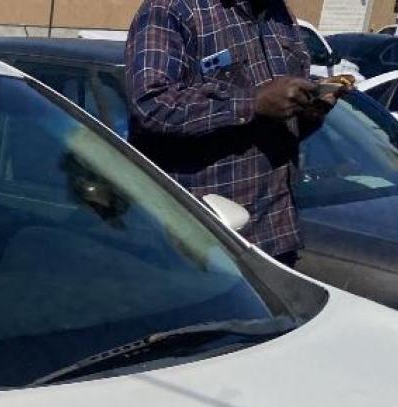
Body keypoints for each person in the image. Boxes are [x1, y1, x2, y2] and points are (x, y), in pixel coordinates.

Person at [125, 0, 341, 264]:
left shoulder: (279, 16)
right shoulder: (173, 9)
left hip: (275, 232)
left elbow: (277, 125)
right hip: (203, 242)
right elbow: (151, 105)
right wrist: (253, 102)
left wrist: (309, 110)